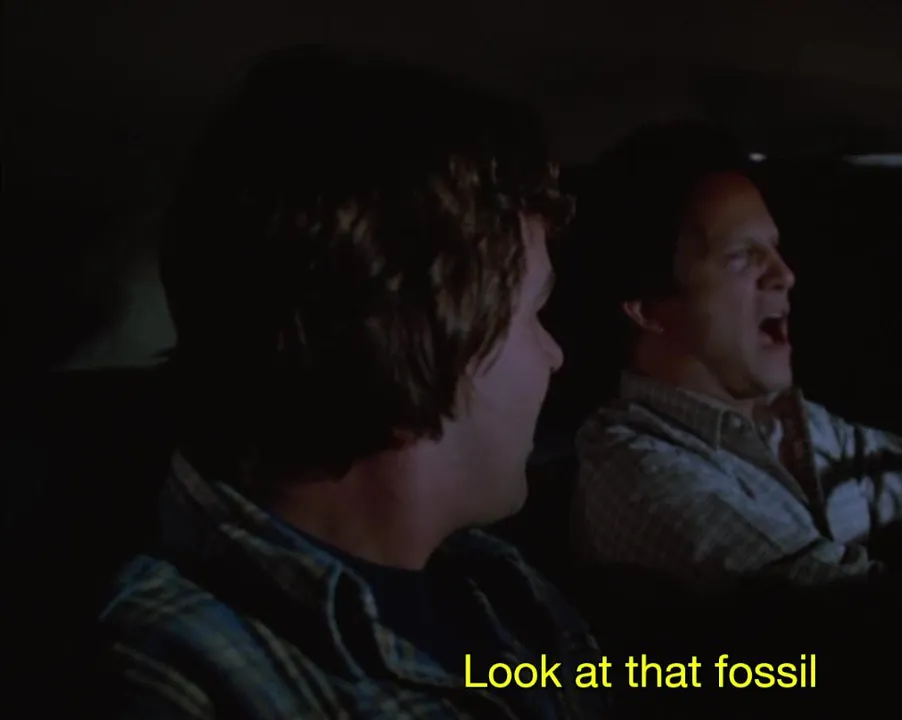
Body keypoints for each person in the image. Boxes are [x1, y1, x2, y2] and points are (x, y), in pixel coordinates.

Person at [96, 46, 605, 719]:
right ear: (414, 343)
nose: (554, 356)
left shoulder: (496, 587)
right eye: (534, 313)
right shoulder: (179, 674)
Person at [566, 122, 902, 596]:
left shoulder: (790, 424)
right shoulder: (639, 476)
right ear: (649, 309)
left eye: (774, 248)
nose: (784, 275)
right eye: (741, 257)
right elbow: (852, 609)